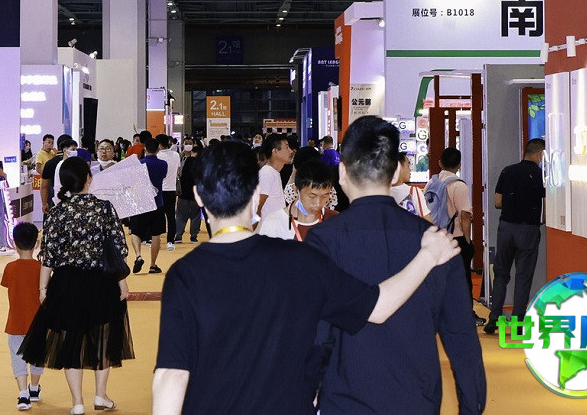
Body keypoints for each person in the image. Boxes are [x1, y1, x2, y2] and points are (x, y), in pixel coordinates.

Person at [151, 141, 460, 415]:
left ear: (198, 196)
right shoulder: (300, 261)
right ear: (256, 193)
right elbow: (377, 308)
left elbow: (171, 374)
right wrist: (428, 256)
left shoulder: (184, 275)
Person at [306, 116, 486, 415]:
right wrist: (471, 408)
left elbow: (316, 334)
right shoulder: (437, 242)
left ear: (342, 172)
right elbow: (462, 340)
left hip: (345, 399)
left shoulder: (323, 240)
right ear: (394, 175)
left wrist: (307, 394)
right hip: (417, 400)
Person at [19, 157, 133, 415]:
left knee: (71, 340)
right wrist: (122, 282)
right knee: (103, 337)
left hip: (66, 283)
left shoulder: (56, 213)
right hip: (102, 282)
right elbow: (117, 251)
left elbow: (48, 257)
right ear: (88, 179)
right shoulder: (104, 208)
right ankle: (100, 395)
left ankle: (77, 402)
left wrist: (43, 289)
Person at [484, 138, 546, 335]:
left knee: (501, 274)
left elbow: (497, 202)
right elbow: (546, 208)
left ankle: (494, 318)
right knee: (523, 277)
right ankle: (518, 323)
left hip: (506, 228)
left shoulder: (507, 171)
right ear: (540, 155)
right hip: (528, 230)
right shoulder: (541, 175)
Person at [425, 147, 486, 327]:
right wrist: (467, 240)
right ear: (459, 165)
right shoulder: (459, 186)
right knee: (462, 278)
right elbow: (465, 215)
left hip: (436, 236)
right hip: (456, 237)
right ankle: (466, 315)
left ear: (440, 163)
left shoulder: (431, 183)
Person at [0, 222, 44, 410]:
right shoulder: (42, 268)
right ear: (36, 244)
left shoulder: (10, 268)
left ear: (15, 245)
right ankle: (34, 388)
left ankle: (23, 394)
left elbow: (7, 285)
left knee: (17, 357)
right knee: (38, 356)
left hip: (15, 322)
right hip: (38, 323)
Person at [258, 159, 338, 241]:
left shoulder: (336, 221)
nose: (318, 203)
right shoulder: (274, 224)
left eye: (324, 196)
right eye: (312, 196)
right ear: (297, 189)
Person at [130, 138, 168, 274]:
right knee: (156, 234)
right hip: (157, 203)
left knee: (135, 232)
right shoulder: (163, 164)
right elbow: (163, 177)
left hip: (140, 202)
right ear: (158, 149)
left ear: (145, 148)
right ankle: (153, 265)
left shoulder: (138, 164)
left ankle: (138, 256)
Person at [256, 133, 292, 223]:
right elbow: (257, 207)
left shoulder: (273, 173)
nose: (290, 151)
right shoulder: (267, 173)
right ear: (275, 151)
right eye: (287, 147)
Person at [156, 134, 181, 251]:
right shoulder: (176, 155)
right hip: (171, 189)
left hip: (159, 190)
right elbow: (178, 170)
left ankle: (156, 240)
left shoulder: (157, 156)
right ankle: (170, 241)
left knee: (158, 216)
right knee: (171, 216)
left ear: (159, 145)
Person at [174, 145, 203, 243]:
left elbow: (179, 174)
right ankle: (193, 237)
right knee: (195, 216)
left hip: (184, 193)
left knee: (181, 215)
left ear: (192, 152)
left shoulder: (184, 161)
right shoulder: (202, 164)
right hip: (196, 194)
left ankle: (178, 236)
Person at [391, 153, 432, 222]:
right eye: (408, 166)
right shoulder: (413, 192)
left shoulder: (380, 191)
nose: (410, 170)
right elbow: (428, 221)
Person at [40, 134, 71, 215]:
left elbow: (44, 186)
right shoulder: (74, 163)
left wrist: (44, 204)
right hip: (71, 200)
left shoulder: (50, 163)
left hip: (54, 199)